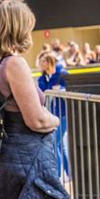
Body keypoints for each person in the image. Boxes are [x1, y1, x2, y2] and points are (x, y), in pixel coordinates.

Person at [0, 0, 68, 199]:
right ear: (19, 28)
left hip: (10, 158)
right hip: (27, 158)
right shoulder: (14, 64)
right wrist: (54, 120)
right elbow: (36, 120)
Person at [37, 52, 70, 181]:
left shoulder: (62, 73)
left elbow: (71, 88)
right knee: (59, 145)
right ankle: (69, 173)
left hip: (63, 114)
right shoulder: (44, 78)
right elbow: (42, 93)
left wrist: (61, 90)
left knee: (55, 144)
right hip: (52, 114)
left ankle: (57, 176)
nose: (41, 64)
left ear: (49, 62)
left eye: (43, 62)